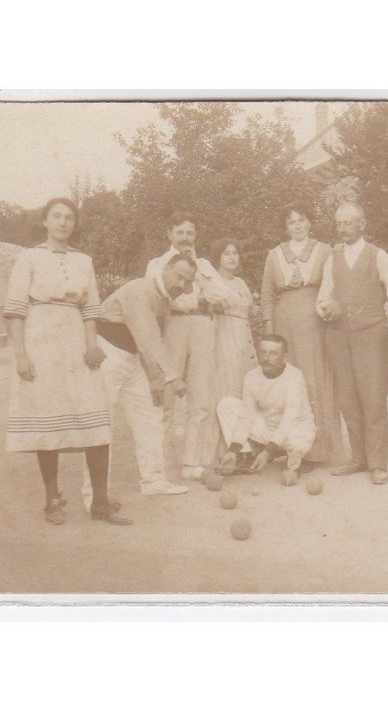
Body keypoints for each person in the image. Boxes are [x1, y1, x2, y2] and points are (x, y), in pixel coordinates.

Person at [4, 197, 129, 526]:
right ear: (44, 221)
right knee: (49, 421)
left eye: (69, 217)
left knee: (96, 420)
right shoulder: (29, 257)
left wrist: (91, 346)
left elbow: (90, 309)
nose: (62, 223)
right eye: (56, 216)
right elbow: (16, 310)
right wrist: (21, 355)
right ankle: (52, 499)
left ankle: (100, 503)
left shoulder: (83, 261)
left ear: (75, 224)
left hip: (76, 341)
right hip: (41, 340)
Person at [79, 252, 197, 508]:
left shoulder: (164, 302)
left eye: (187, 281)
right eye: (179, 277)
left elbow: (146, 344)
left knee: (150, 415)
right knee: (102, 424)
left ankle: (154, 480)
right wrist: (173, 378)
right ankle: (94, 496)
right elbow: (148, 339)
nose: (181, 285)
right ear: (165, 270)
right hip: (107, 355)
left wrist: (155, 379)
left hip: (132, 360)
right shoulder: (139, 288)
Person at [316, 201, 388, 484]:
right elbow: (323, 296)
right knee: (348, 398)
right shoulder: (333, 258)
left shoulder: (378, 256)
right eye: (339, 223)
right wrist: (327, 308)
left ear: (362, 224)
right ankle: (358, 458)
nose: (342, 228)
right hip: (339, 336)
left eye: (348, 223)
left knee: (374, 396)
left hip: (370, 334)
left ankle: (377, 463)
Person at [145, 211, 229, 483]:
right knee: (168, 396)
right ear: (169, 234)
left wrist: (204, 292)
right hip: (174, 326)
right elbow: (156, 297)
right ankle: (158, 463)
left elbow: (222, 295)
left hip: (202, 326)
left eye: (190, 233)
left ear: (196, 235)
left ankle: (191, 462)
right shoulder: (157, 263)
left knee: (200, 397)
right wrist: (196, 298)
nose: (185, 238)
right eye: (179, 232)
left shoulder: (203, 264)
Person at [260, 201, 342, 464]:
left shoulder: (325, 251)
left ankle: (316, 451)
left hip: (314, 324)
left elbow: (333, 288)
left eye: (301, 220)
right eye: (291, 222)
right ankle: (289, 448)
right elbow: (267, 296)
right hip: (285, 324)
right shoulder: (274, 255)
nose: (297, 226)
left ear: (310, 222)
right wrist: (270, 332)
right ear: (285, 227)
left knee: (314, 381)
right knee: (288, 385)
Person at [217, 335, 317, 485]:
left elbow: (290, 418)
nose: (266, 358)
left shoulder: (295, 376)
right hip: (268, 429)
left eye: (273, 353)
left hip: (295, 430)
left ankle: (282, 456)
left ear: (285, 356)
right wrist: (233, 450)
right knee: (226, 405)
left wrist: (267, 452)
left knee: (298, 445)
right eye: (262, 352)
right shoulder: (251, 376)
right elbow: (246, 416)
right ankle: (245, 455)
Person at [206, 238, 258, 457]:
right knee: (226, 388)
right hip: (224, 336)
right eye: (227, 253)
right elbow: (210, 306)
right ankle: (225, 449)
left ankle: (246, 445)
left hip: (244, 337)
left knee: (244, 390)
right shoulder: (212, 282)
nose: (232, 257)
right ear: (218, 257)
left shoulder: (240, 282)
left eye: (235, 253)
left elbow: (247, 308)